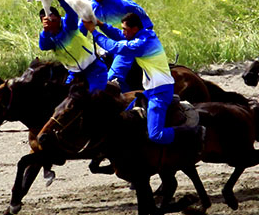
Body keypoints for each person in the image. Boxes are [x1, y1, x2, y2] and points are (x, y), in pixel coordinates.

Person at [84, 13, 203, 148]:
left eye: (125, 29)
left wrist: (93, 31)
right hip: (150, 91)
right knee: (123, 118)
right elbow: (119, 35)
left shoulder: (142, 44)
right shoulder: (143, 35)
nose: (123, 32)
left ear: (134, 29)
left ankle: (193, 132)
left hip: (160, 92)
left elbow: (116, 47)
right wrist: (101, 25)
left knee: (155, 135)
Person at [87, 0, 154, 92]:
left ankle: (116, 85)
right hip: (109, 45)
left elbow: (147, 25)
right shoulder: (90, 7)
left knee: (119, 61)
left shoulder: (123, 3)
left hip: (130, 45)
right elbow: (79, 30)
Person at [38, 0, 107, 92]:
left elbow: (71, 13)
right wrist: (45, 31)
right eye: (47, 22)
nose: (51, 24)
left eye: (53, 21)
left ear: (58, 17)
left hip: (94, 68)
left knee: (94, 97)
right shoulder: (48, 36)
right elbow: (44, 46)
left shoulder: (69, 26)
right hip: (74, 73)